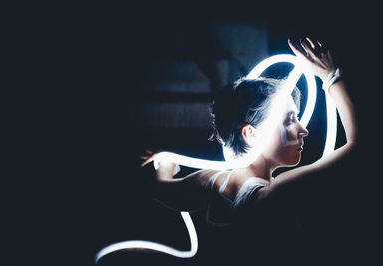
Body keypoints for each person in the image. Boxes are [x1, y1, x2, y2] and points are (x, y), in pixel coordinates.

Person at [140, 37, 358, 265]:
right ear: (250, 133)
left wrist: (164, 163)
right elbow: (360, 147)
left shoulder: (213, 182)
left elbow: (160, 189)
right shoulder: (272, 195)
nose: (303, 129)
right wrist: (331, 75)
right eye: (289, 120)